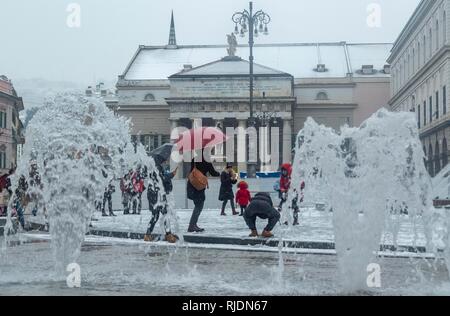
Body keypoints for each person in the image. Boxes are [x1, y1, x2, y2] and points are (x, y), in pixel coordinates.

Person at [187, 150, 220, 233]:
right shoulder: (207, 161)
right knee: (199, 206)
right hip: (199, 186)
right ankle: (192, 225)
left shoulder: (194, 159)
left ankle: (193, 224)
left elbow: (192, 170)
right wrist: (220, 173)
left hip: (192, 184)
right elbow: (213, 173)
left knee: (197, 205)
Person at [144, 163, 178, 243]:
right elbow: (163, 178)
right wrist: (172, 174)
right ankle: (168, 235)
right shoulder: (156, 168)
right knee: (164, 215)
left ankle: (148, 234)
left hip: (155, 197)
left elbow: (161, 178)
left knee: (156, 216)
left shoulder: (152, 169)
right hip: (157, 197)